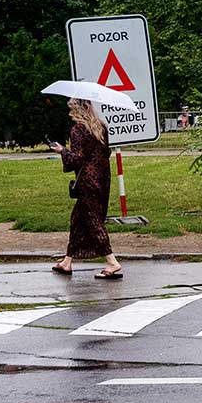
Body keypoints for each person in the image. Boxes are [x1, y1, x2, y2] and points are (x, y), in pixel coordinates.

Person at [48, 98, 122, 280]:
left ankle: (112, 262)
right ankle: (67, 261)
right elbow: (105, 152)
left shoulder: (78, 130)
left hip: (87, 181)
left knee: (93, 221)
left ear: (78, 110)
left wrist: (62, 151)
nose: (69, 114)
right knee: (78, 220)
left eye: (71, 109)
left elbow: (77, 159)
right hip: (102, 178)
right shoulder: (101, 127)